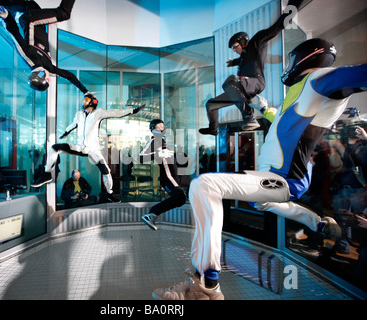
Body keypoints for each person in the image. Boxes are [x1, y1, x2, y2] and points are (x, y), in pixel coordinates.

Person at [152, 38, 367, 300]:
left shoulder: (319, 79)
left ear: (309, 57)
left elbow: (356, 74)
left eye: (291, 60)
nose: (289, 66)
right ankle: (319, 223)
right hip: (274, 178)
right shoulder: (301, 93)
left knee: (204, 185)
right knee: (261, 204)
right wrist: (264, 109)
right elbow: (281, 122)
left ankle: (205, 285)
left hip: (283, 179)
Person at [199, 0, 305, 135]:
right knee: (211, 104)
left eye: (236, 47)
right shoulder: (243, 57)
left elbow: (277, 27)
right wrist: (235, 62)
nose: (235, 50)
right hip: (241, 88)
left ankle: (249, 117)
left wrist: (292, 7)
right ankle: (213, 128)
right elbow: (246, 60)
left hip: (256, 82)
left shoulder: (257, 42)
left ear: (243, 42)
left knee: (231, 81)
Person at [31, 93, 145, 203]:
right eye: (83, 100)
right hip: (79, 147)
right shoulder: (79, 114)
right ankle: (46, 174)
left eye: (86, 100)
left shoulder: (98, 113)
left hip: (93, 149)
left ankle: (110, 193)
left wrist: (132, 110)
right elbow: (74, 124)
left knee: (106, 171)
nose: (83, 101)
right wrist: (66, 132)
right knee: (54, 148)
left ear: (92, 102)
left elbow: (115, 113)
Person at [0, 0, 89, 93]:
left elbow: (14, 33)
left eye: (47, 80)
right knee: (31, 4)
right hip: (36, 18)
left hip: (30, 21)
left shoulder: (29, 57)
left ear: (41, 76)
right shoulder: (49, 68)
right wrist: (85, 92)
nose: (49, 79)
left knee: (64, 14)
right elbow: (69, 76)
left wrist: (7, 17)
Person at [139, 119, 187, 230]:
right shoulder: (153, 142)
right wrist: (157, 153)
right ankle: (152, 214)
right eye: (159, 127)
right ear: (152, 130)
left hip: (176, 177)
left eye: (163, 127)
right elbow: (140, 157)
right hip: (168, 177)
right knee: (180, 198)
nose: (162, 129)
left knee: (196, 182)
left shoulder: (163, 142)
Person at [332, 125, 367, 254]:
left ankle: (362, 251)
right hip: (343, 188)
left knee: (360, 221)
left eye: (356, 131)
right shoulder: (346, 145)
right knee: (342, 219)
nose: (352, 134)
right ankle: (342, 246)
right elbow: (346, 164)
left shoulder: (363, 147)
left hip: (359, 190)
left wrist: (364, 138)